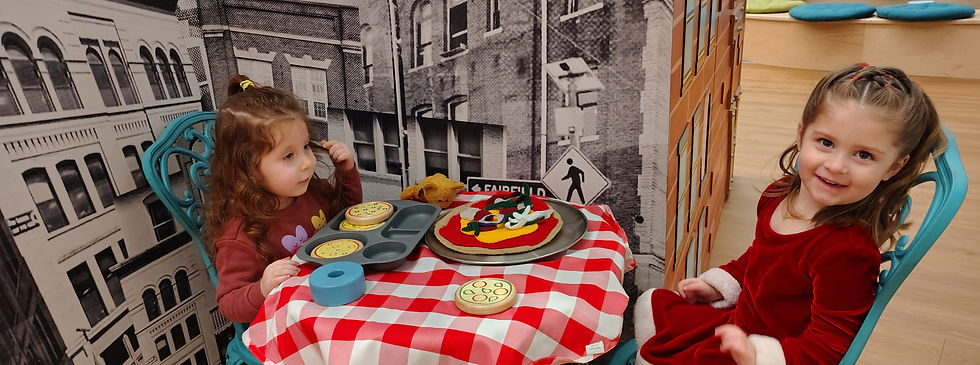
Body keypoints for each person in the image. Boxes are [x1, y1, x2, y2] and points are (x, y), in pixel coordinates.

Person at [634, 63, 945, 364]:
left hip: (775, 351)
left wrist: (757, 356)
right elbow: (759, 259)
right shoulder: (781, 192)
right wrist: (720, 285)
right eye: (826, 142)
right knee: (654, 303)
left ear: (892, 166)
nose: (836, 165)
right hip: (741, 321)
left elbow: (827, 348)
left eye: (863, 154)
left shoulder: (847, 252)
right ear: (801, 135)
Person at [203, 75, 363, 323]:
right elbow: (229, 304)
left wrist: (346, 172)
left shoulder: (310, 191)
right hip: (294, 324)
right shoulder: (240, 236)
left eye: (306, 147)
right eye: (289, 156)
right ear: (248, 169)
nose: (308, 162)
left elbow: (347, 218)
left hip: (336, 298)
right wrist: (261, 288)